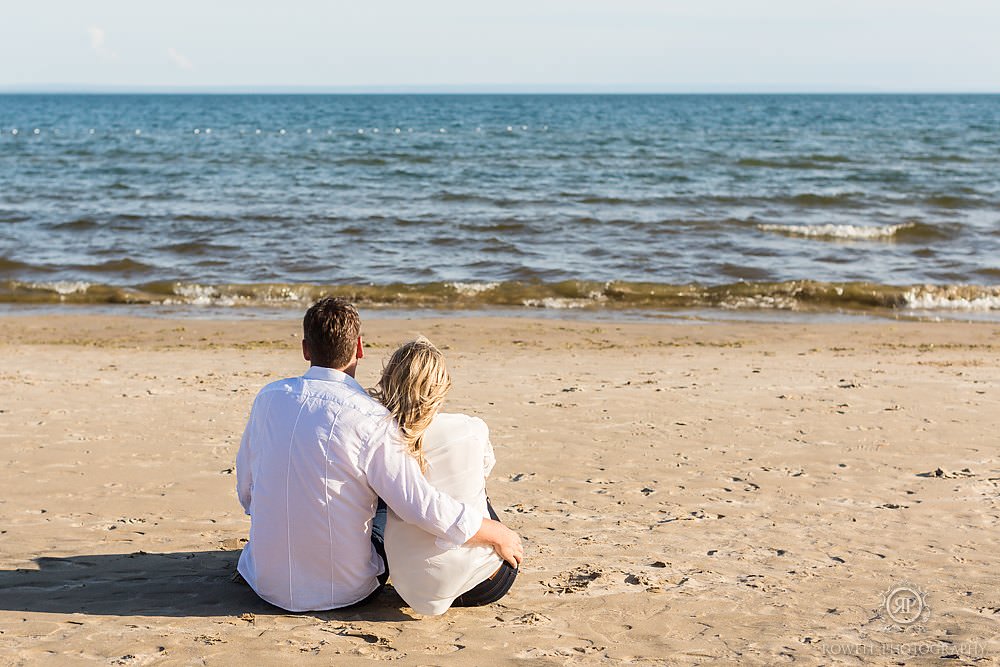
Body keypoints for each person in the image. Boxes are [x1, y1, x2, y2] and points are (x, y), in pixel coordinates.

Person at [235, 297, 522, 612]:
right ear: (359, 347)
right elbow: (420, 507)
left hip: (263, 580)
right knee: (392, 497)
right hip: (343, 590)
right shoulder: (370, 419)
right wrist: (494, 531)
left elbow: (247, 491)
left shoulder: (269, 397)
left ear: (306, 349)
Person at [372, 338, 516, 615]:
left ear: (388, 380)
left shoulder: (379, 435)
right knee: (478, 489)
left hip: (409, 587)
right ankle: (484, 545)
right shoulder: (472, 428)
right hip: (485, 584)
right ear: (443, 386)